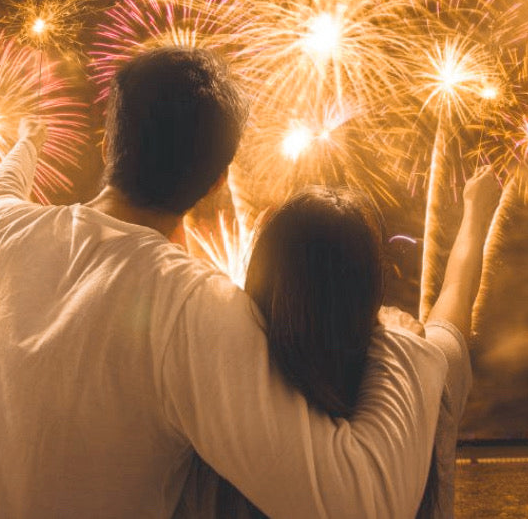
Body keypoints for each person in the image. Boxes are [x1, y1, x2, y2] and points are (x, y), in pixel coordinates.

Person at [0, 47, 450, 519]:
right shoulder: (192, 307)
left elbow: (4, 183)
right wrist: (401, 343)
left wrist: (28, 142)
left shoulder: (0, 229)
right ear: (219, 180)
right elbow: (363, 503)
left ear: (109, 144)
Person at [176, 170, 500, 519]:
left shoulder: (222, 406)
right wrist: (475, 211)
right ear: (371, 285)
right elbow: (457, 291)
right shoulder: (426, 380)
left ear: (261, 277)